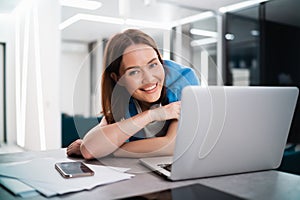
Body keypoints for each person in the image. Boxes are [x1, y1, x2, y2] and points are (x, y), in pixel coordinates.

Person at [67, 29, 200, 159]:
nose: (149, 79)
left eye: (153, 65)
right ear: (117, 78)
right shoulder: (123, 98)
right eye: (134, 72)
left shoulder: (183, 80)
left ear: (161, 61)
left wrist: (110, 150)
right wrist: (152, 114)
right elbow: (90, 150)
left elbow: (173, 144)